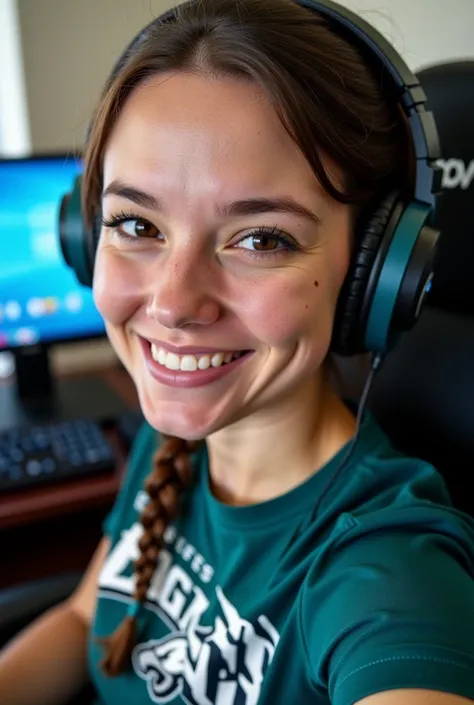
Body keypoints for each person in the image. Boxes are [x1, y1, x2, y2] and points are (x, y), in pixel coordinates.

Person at [1, 0, 474, 703]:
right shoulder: (175, 443)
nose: (172, 303)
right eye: (135, 222)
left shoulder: (386, 568)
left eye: (260, 238)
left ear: (372, 277)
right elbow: (81, 618)